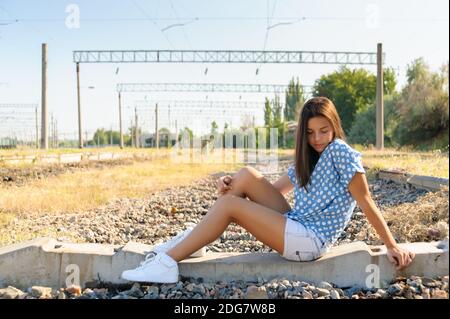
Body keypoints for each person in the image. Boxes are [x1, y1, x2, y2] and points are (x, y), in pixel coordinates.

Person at [121, 96, 415, 284]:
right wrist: (231, 185)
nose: (317, 139)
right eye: (310, 132)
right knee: (246, 175)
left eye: (324, 130)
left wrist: (391, 244)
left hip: (310, 242)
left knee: (228, 207)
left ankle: (168, 261)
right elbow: (269, 192)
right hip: (298, 225)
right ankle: (194, 243)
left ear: (334, 126)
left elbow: (365, 200)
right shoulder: (309, 156)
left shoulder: (340, 152)